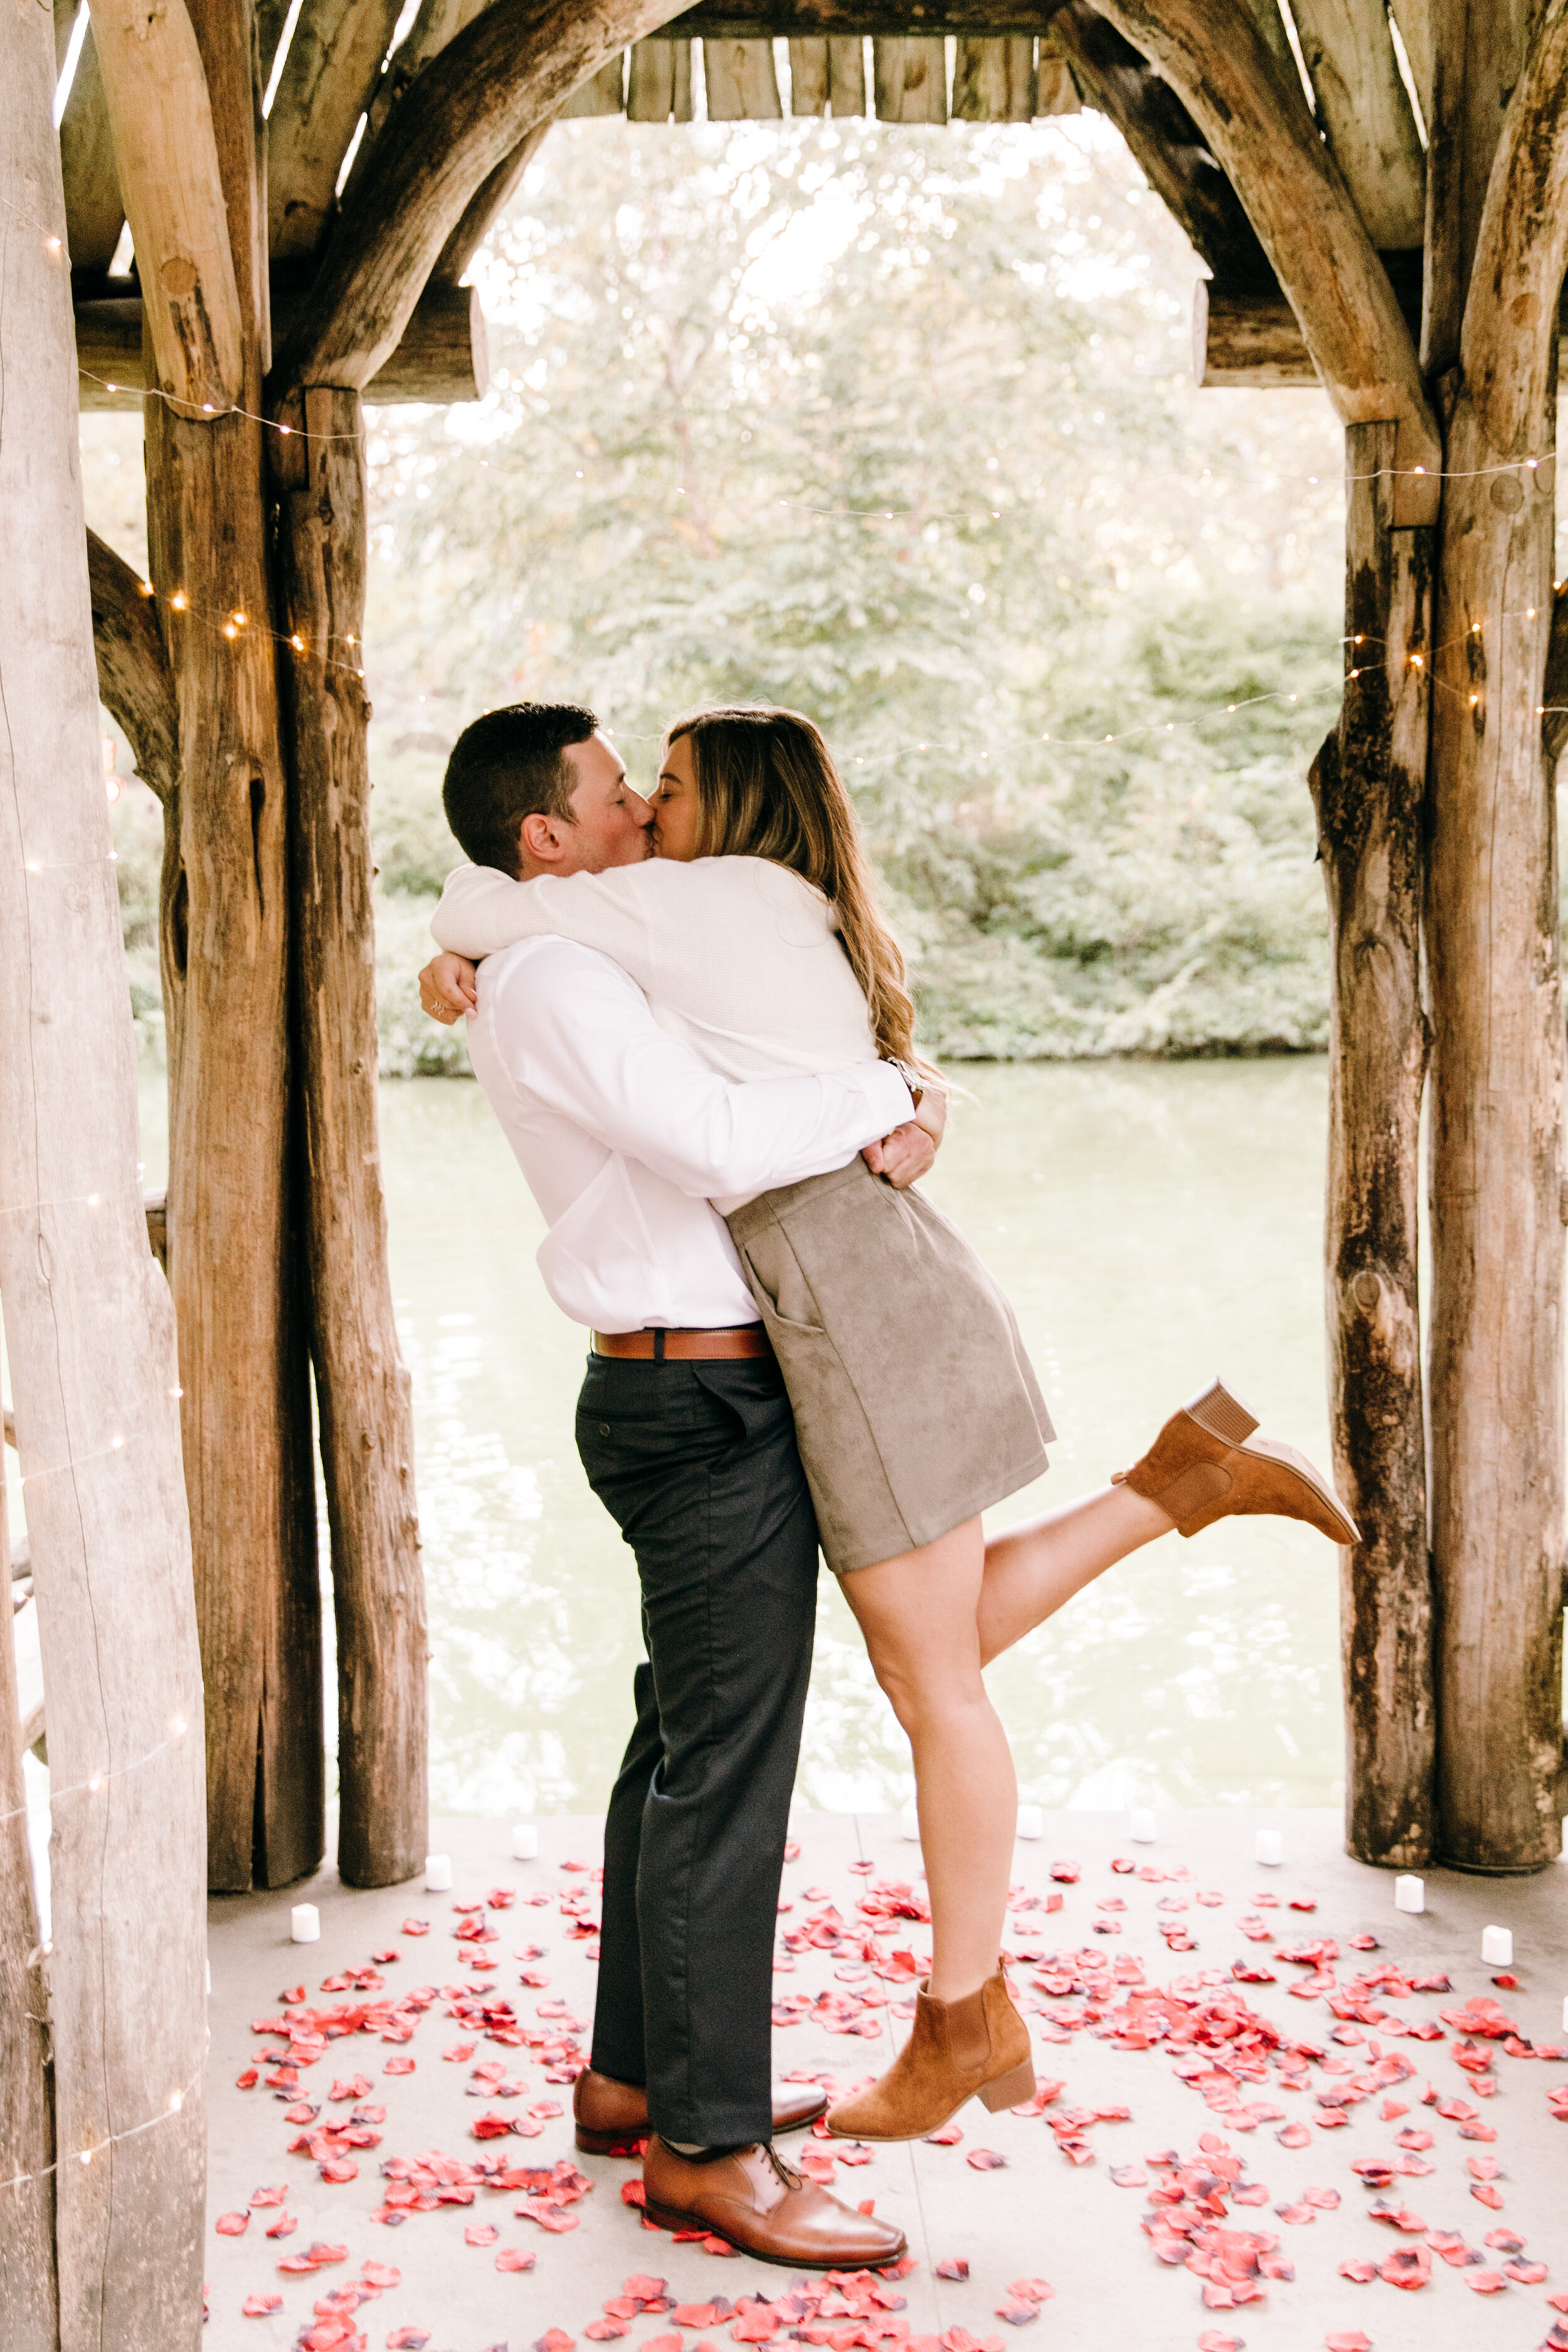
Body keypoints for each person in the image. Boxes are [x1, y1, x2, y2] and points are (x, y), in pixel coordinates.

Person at [420, 703, 1357, 2153]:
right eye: (627, 792)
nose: (644, 815)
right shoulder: (675, 936)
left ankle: (959, 2015)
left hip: (856, 1314)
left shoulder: (707, 906)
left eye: (660, 790)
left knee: (934, 1680)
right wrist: (473, 963)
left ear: (723, 812)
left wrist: (470, 942)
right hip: (853, 1304)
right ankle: (1181, 1483)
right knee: (933, 1649)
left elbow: (510, 917)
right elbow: (604, 1016)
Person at [428, 702, 918, 2269]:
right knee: (726, 1771)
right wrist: (883, 1100)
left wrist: (902, 1091)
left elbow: (742, 1038)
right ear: (543, 840)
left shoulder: (579, 955)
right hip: (694, 1392)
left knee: (674, 1746)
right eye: (607, 787)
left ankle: (634, 2075)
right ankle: (710, 2150)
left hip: (685, 1381)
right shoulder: (563, 973)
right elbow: (713, 1137)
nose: (641, 803)